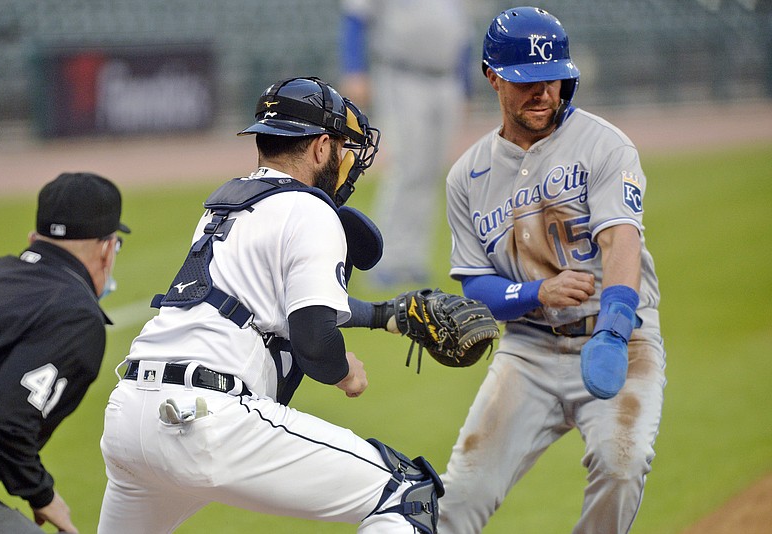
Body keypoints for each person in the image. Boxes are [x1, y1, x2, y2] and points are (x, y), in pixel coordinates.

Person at [97, 77, 443, 534]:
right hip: (207, 418)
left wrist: (383, 316)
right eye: (341, 147)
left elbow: (273, 307)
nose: (345, 161)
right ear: (321, 147)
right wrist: (344, 374)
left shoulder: (228, 207)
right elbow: (314, 339)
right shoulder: (312, 210)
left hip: (130, 415)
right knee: (406, 496)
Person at [438, 7, 667, 534]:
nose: (543, 92)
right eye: (525, 81)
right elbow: (476, 285)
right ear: (492, 76)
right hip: (529, 351)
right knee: (460, 495)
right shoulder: (467, 176)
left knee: (622, 463)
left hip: (620, 340)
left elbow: (621, 241)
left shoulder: (604, 145)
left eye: (553, 79)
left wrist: (614, 325)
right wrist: (539, 291)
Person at [0, 172, 129, 534]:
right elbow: (0, 419)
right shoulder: (77, 316)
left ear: (34, 239)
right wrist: (42, 495)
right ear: (107, 249)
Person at [339, 0, 473, 286]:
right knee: (407, 169)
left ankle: (413, 259)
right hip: (403, 75)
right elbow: (355, 18)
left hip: (447, 79)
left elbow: (463, 30)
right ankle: (385, 259)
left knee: (430, 173)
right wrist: (355, 69)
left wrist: (466, 85)